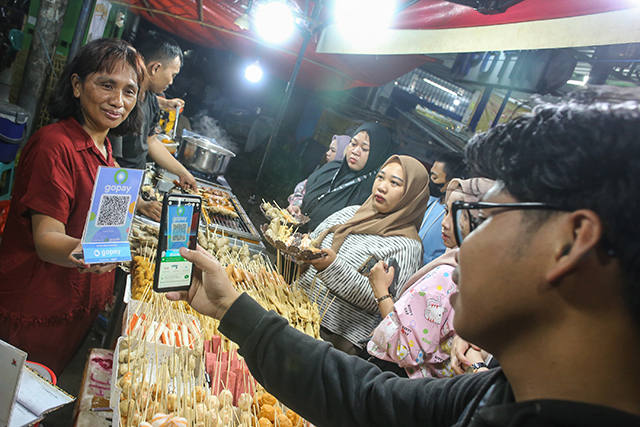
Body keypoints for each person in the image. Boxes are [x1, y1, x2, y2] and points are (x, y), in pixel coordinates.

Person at [167, 86, 640, 427]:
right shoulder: (493, 392)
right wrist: (234, 310)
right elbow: (366, 398)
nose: (458, 247)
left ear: (570, 241)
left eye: (484, 216)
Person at [0, 39, 145, 375]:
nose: (118, 101)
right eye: (106, 85)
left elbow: (98, 222)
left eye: (129, 91)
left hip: (77, 305)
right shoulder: (55, 145)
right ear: (77, 86)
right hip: (37, 307)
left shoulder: (105, 146)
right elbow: (47, 238)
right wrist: (89, 253)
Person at [299, 155, 429, 354]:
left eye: (394, 183)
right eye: (380, 177)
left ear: (412, 195)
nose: (382, 187)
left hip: (332, 339)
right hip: (295, 306)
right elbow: (313, 241)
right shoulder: (351, 213)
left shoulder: (407, 246)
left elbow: (381, 302)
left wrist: (332, 267)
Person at [366, 178, 494, 378]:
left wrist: (381, 291)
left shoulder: (449, 276)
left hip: (398, 382)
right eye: (445, 212)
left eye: (458, 216)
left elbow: (405, 349)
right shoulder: (491, 279)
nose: (444, 223)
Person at [110, 31, 196, 221]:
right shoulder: (122, 103)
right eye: (172, 74)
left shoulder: (149, 99)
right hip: (115, 192)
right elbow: (109, 162)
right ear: (155, 68)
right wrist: (138, 203)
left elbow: (151, 141)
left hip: (132, 190)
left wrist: (183, 172)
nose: (172, 81)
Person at [297, 122, 392, 231]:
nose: (355, 151)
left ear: (377, 155)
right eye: (353, 144)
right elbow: (303, 189)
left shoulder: (372, 193)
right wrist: (296, 205)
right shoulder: (332, 168)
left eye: (364, 149)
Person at [419, 152, 466, 265]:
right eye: (431, 175)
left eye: (435, 177)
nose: (430, 180)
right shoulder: (429, 201)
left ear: (450, 183)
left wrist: (414, 253)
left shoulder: (457, 217)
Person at [287, 134, 351, 213]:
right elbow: (302, 186)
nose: (327, 153)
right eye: (329, 149)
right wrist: (297, 204)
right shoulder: (324, 171)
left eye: (333, 150)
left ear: (343, 154)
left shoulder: (343, 183)